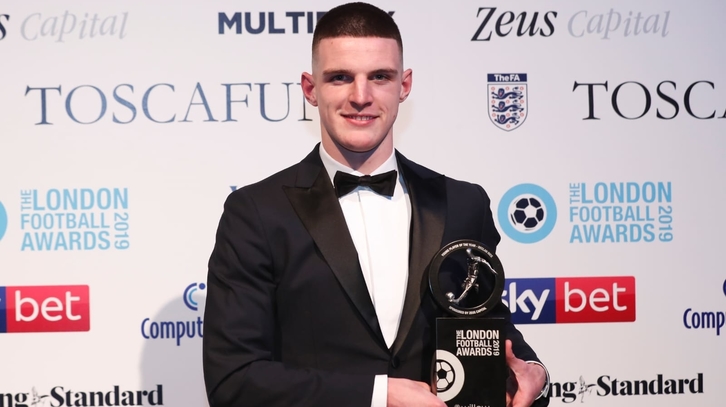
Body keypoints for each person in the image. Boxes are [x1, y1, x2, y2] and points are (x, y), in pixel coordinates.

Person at [203, 3, 549, 407]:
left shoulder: (462, 203)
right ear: (310, 89)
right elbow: (234, 380)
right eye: (340, 78)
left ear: (404, 85)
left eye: (379, 77)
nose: (360, 96)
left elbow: (487, 325)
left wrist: (533, 371)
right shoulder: (257, 214)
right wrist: (379, 394)